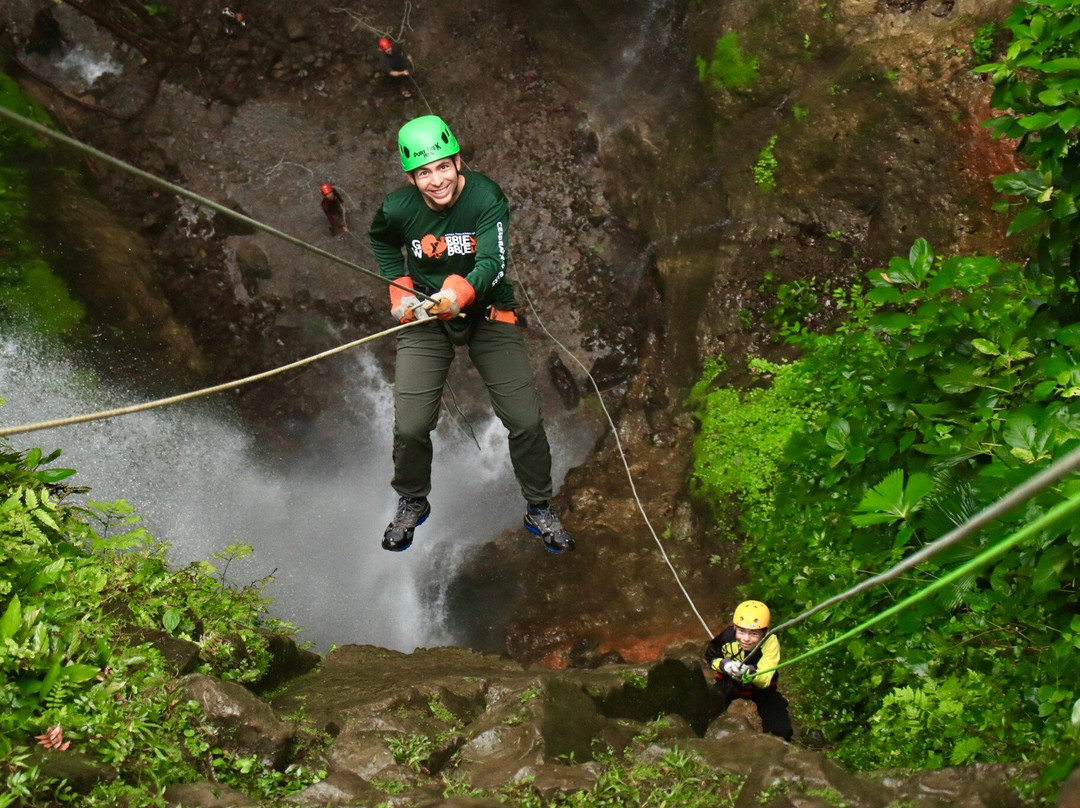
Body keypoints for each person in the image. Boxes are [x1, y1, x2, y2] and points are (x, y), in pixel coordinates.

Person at [368, 114, 573, 555]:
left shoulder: (485, 198)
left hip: (486, 312)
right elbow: (383, 240)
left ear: (458, 160)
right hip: (428, 317)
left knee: (525, 421)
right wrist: (400, 289)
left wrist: (456, 293)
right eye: (424, 172)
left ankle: (539, 506)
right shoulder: (397, 208)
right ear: (411, 177)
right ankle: (412, 500)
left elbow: (492, 263)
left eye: (443, 166)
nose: (436, 180)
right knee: (411, 425)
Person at [704, 600, 793, 741]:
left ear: (765, 632)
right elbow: (711, 656)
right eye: (741, 631)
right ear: (735, 627)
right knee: (706, 713)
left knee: (781, 730)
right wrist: (724, 665)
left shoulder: (770, 643)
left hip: (761, 690)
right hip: (728, 683)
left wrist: (749, 673)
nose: (746, 639)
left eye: (754, 634)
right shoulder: (727, 637)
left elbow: (764, 680)